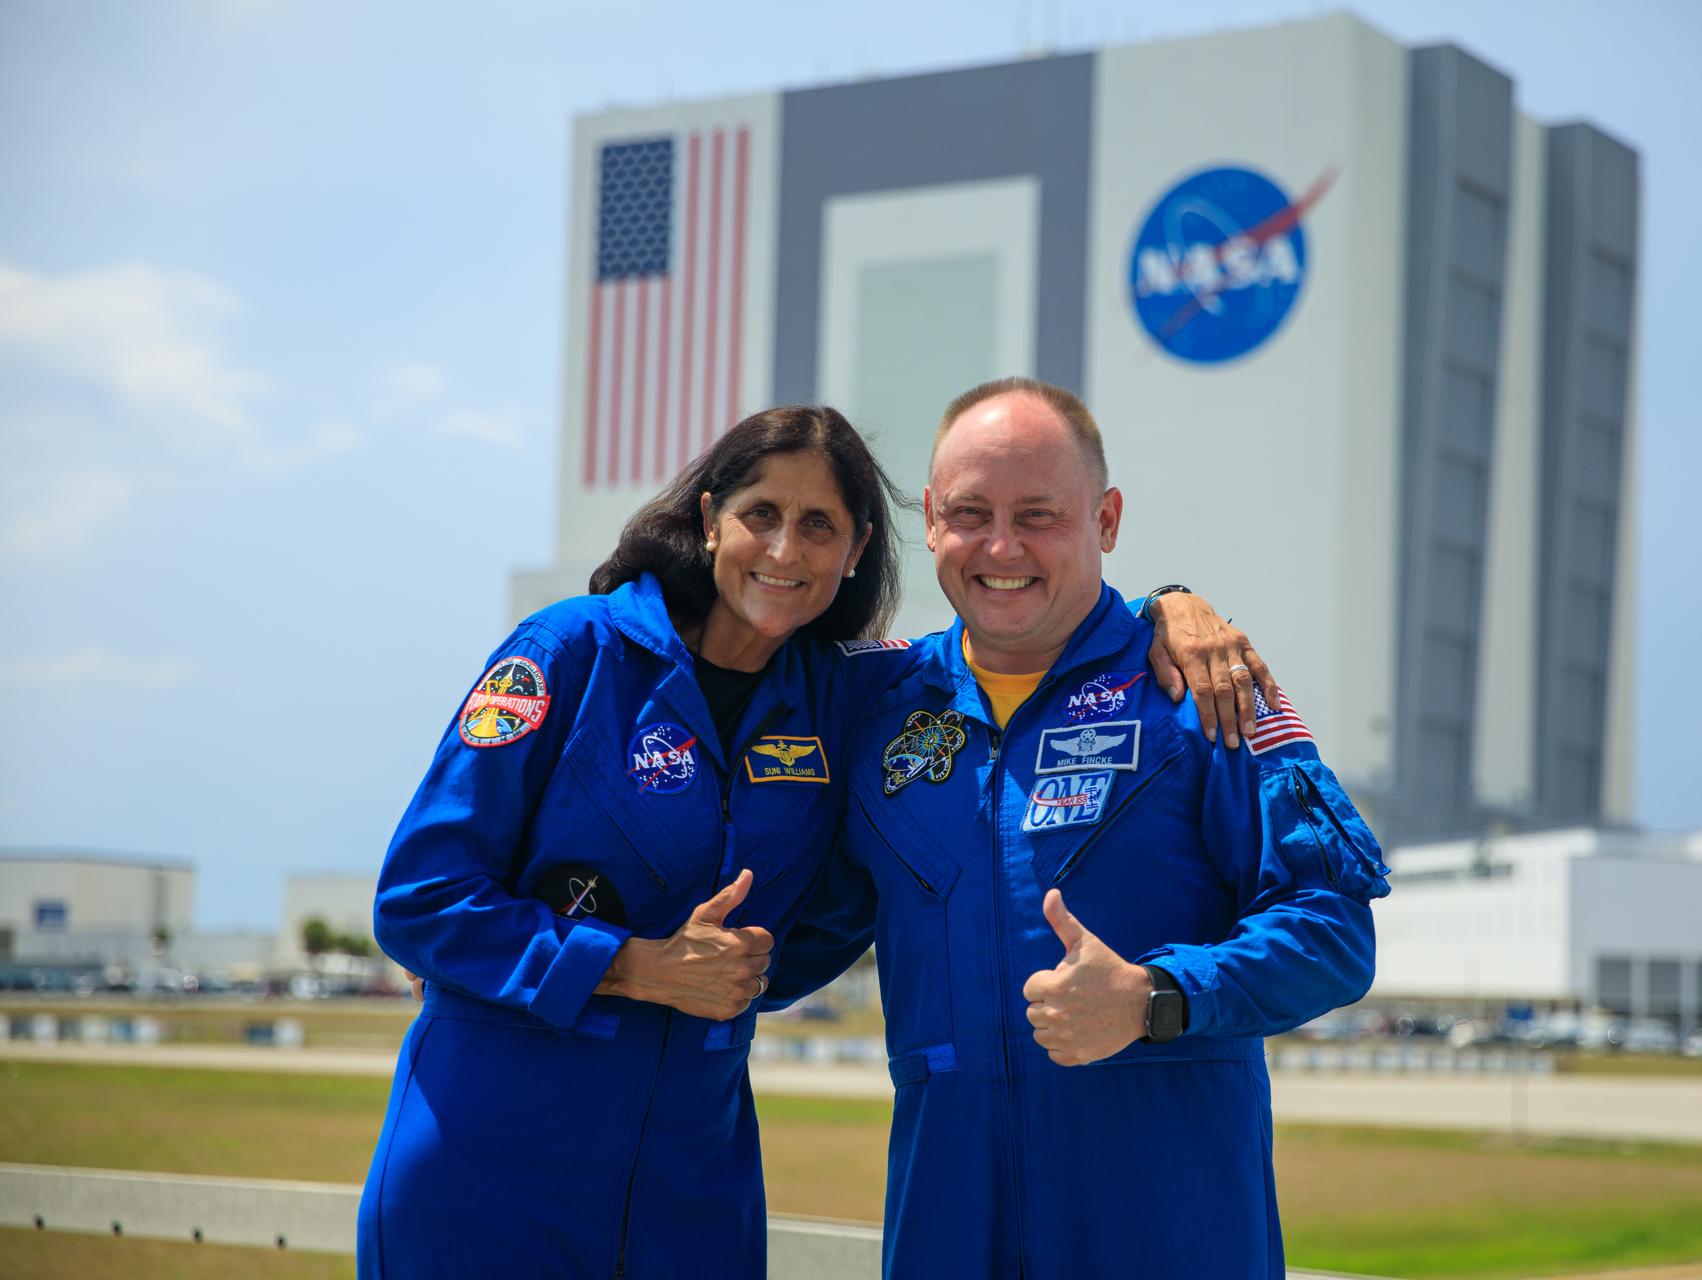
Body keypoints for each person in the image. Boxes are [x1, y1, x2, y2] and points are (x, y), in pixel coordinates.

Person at [357, 402, 1268, 1278]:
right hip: (494, 1153)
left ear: (858, 548)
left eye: (821, 526)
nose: (786, 551)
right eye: (762, 514)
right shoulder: (570, 651)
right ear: (711, 518)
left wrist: (1168, 606)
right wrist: (631, 966)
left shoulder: (855, 696)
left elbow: (1025, 626)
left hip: (691, 1184)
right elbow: (419, 900)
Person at [770, 378, 1392, 1279]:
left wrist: (1156, 996)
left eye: (1039, 515)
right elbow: (797, 923)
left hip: (1170, 1236)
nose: (1001, 546)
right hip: (947, 1231)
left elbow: (1334, 931)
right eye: (972, 513)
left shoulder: (1202, 687)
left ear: (1106, 519)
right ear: (932, 520)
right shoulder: (876, 707)